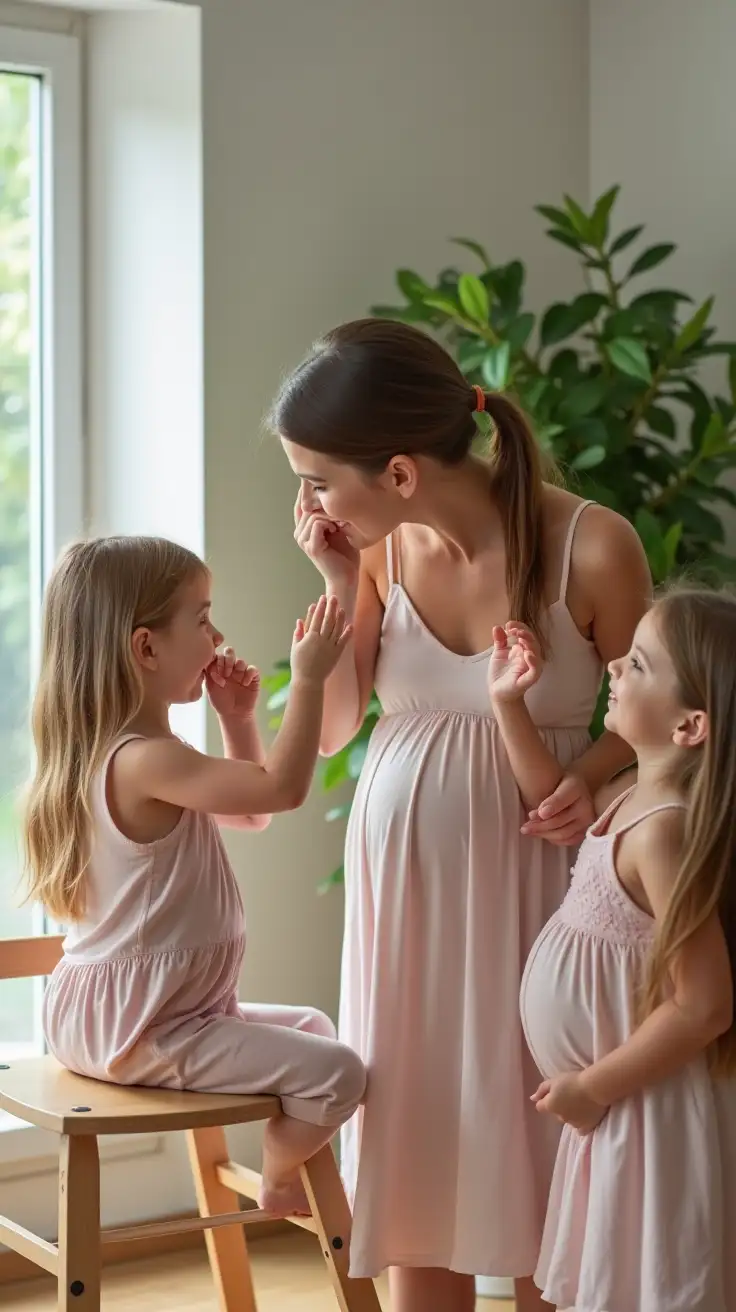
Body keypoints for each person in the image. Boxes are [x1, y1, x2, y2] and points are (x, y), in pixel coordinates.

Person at [271, 318, 652, 1312]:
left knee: (535, 1133)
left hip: (543, 883)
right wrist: (336, 580)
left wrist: (599, 763)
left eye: (317, 478)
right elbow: (335, 728)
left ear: (396, 470)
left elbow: (662, 716)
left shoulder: (593, 544)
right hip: (408, 899)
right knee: (415, 1130)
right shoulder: (381, 551)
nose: (307, 501)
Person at [24, 535, 366, 1217]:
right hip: (147, 1028)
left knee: (318, 1029)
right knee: (341, 1073)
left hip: (144, 1014)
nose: (217, 636)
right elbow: (281, 791)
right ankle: (278, 1170)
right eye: (203, 619)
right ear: (146, 648)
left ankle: (281, 1163)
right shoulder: (141, 762)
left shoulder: (129, 756)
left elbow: (250, 816)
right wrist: (307, 679)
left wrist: (238, 721)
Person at [490, 589, 736, 1311]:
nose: (614, 670)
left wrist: (592, 1089)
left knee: (655, 1284)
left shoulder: (664, 830)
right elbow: (550, 801)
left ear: (690, 724)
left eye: (638, 663)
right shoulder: (628, 791)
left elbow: (704, 1005)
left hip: (644, 1103)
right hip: (616, 1106)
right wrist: (509, 705)